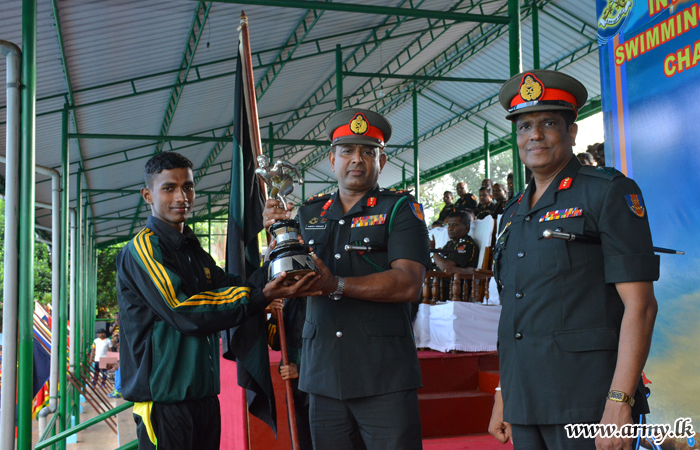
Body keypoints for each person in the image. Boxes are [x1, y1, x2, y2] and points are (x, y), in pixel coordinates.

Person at [488, 69, 659, 450]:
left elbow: (642, 307)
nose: (534, 135)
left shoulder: (608, 192)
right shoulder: (512, 212)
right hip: (527, 402)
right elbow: (514, 313)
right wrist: (505, 392)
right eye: (524, 126)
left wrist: (619, 402)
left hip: (590, 403)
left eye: (548, 122)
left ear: (572, 132)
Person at [117, 152, 320, 450]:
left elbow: (234, 287)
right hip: (166, 402)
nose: (181, 196)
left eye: (187, 186)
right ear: (148, 194)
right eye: (169, 188)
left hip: (205, 398)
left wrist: (280, 258)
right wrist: (262, 294)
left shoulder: (193, 250)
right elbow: (184, 311)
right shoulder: (141, 250)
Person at [263, 108, 430, 450]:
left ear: (381, 162)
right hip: (321, 375)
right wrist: (275, 234)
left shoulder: (400, 209)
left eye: (368, 152)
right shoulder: (309, 212)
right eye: (347, 151)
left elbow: (409, 282)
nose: (357, 159)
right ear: (331, 159)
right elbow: (295, 275)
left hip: (382, 375)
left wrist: (336, 284)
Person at [267, 298, 312, 450]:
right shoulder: (290, 301)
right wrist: (274, 316)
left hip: (320, 382)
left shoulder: (325, 298)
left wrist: (301, 369)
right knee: (300, 437)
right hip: (295, 384)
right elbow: (275, 343)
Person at [430, 210, 479, 301]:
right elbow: (438, 261)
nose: (450, 228)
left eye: (455, 225)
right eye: (449, 225)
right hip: (438, 284)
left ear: (466, 228)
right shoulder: (450, 244)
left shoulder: (466, 245)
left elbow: (446, 267)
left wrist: (433, 251)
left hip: (451, 289)